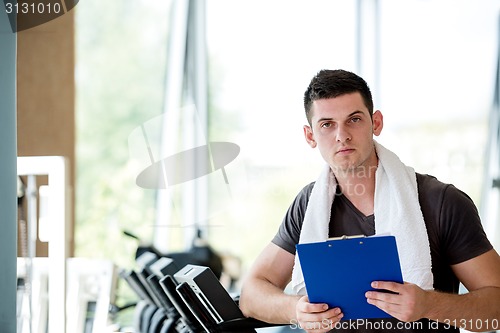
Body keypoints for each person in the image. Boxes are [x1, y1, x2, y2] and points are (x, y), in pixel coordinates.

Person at [239, 69, 500, 332]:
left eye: (354, 119)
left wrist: (429, 305)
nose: (342, 135)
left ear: (376, 123)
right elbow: (251, 295)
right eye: (327, 124)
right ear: (310, 136)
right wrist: (295, 309)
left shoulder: (442, 202)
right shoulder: (308, 206)